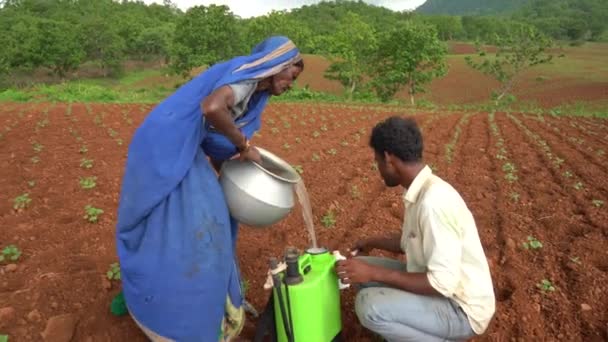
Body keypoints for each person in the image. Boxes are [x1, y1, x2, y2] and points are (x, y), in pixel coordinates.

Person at [115, 36, 304, 341]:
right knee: (199, 229)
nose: (291, 84)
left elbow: (216, 136)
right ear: (275, 67)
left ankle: (167, 296)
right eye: (291, 76)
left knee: (185, 224)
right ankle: (180, 321)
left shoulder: (253, 90)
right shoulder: (245, 79)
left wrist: (228, 168)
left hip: (176, 143)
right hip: (167, 143)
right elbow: (212, 107)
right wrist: (244, 146)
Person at [336, 116, 496, 342]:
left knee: (369, 305)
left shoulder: (433, 203)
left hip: (460, 309)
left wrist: (374, 273)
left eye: (377, 161)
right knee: (358, 269)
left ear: (389, 159)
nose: (379, 169)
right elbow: (408, 241)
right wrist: (370, 241)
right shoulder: (421, 189)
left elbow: (442, 283)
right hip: (443, 290)